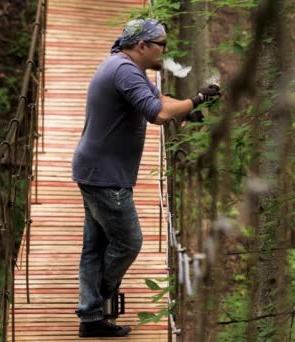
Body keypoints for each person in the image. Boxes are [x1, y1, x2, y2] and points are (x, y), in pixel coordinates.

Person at [72, 18, 221, 338]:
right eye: (161, 45)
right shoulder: (124, 71)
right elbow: (158, 114)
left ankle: (91, 317)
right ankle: (98, 299)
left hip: (95, 170)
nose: (165, 50)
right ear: (142, 46)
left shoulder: (125, 67)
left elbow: (162, 102)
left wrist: (187, 111)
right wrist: (197, 99)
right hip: (104, 176)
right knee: (128, 242)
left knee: (94, 247)